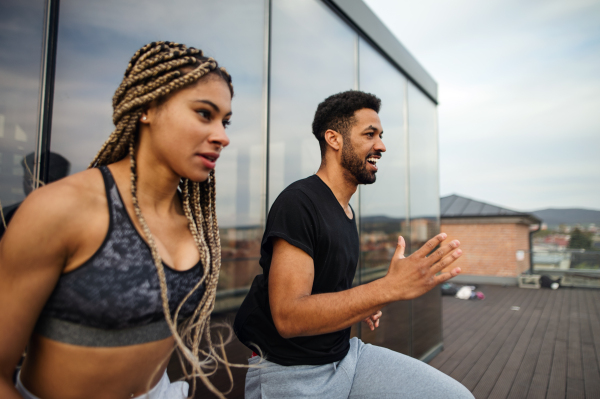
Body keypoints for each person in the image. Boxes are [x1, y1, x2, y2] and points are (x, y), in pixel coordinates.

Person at [0, 41, 234, 399]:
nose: (223, 136)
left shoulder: (195, 221)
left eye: (225, 120)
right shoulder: (60, 209)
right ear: (147, 108)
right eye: (205, 113)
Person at [234, 90, 474, 398]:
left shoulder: (346, 211)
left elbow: (327, 294)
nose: (381, 146)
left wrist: (363, 305)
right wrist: (388, 288)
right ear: (334, 139)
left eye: (381, 135)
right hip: (291, 373)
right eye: (370, 134)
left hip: (345, 355)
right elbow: (289, 316)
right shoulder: (298, 203)